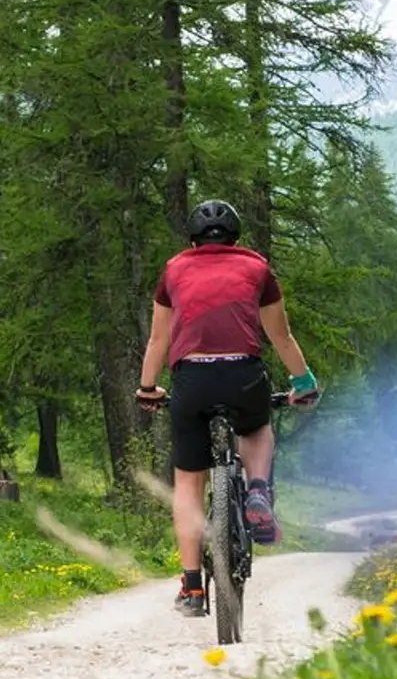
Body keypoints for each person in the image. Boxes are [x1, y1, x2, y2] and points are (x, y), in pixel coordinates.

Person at [136, 199, 320, 617]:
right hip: (244, 376)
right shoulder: (256, 268)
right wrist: (304, 383)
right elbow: (282, 338)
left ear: (193, 239)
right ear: (235, 238)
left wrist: (148, 388)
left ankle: (193, 588)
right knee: (256, 428)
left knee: (188, 481)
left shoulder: (174, 270)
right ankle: (257, 490)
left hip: (191, 381)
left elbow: (158, 341)